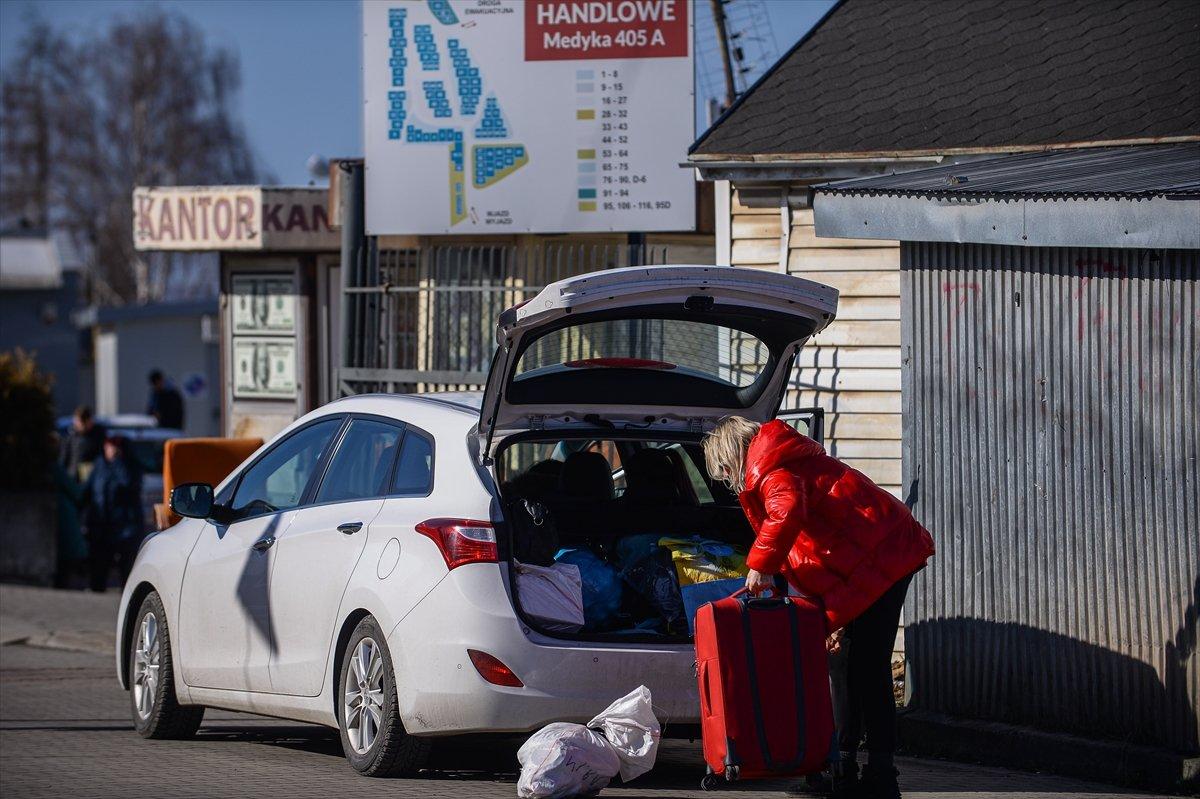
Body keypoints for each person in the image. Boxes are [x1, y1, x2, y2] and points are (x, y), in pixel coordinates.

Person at [702, 416, 935, 799]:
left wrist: (760, 565)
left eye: (725, 471)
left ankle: (879, 775)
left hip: (886, 555)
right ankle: (844, 768)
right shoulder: (779, 458)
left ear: (731, 455)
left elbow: (787, 511)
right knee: (846, 665)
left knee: (867, 666)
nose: (730, 479)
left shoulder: (771, 467)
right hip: (872, 556)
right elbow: (817, 549)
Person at [81, 435, 145, 592]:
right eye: (108, 447)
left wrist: (118, 462)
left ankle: (127, 595)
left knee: (126, 566)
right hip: (101, 525)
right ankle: (96, 591)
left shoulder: (130, 466)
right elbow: (88, 491)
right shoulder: (99, 465)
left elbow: (128, 483)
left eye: (115, 448)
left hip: (125, 526)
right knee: (99, 565)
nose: (110, 451)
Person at [59, 405, 106, 483]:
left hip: (91, 477)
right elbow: (64, 457)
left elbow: (102, 456)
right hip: (73, 477)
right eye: (75, 421)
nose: (75, 424)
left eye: (78, 422)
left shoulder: (98, 434)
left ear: (88, 421)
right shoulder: (71, 435)